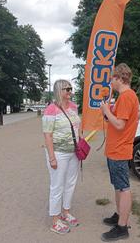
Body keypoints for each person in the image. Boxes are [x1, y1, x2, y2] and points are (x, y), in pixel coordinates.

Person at [100, 63, 140, 241]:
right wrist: (107, 113)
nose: (110, 83)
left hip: (119, 150)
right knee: (118, 186)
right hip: (116, 149)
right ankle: (119, 216)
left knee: (123, 188)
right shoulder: (125, 97)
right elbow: (115, 121)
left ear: (119, 78)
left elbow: (120, 124)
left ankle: (122, 227)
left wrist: (106, 110)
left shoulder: (126, 97)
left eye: (112, 79)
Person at [42, 79, 82, 235]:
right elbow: (47, 135)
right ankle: (55, 220)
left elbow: (77, 126)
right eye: (67, 89)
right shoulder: (51, 110)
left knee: (71, 183)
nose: (70, 91)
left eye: (71, 89)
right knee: (57, 185)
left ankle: (66, 212)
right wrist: (52, 157)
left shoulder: (73, 107)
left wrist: (81, 140)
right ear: (59, 91)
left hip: (74, 152)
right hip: (58, 153)